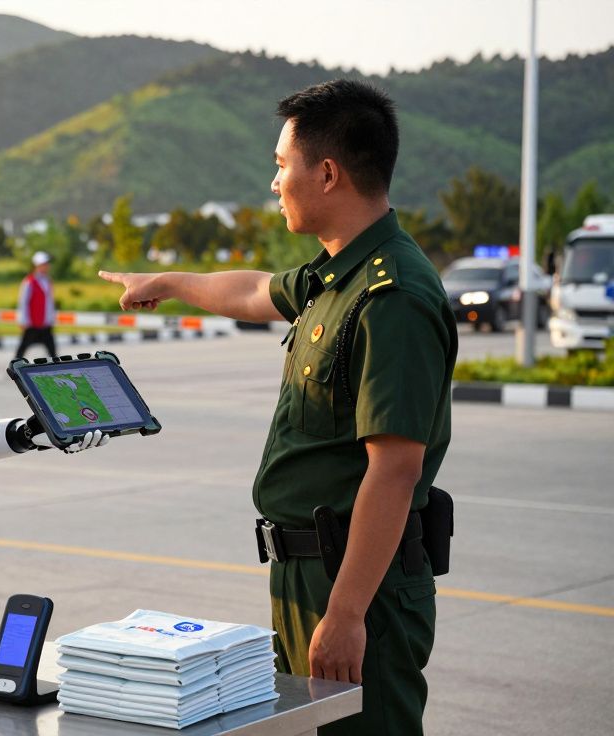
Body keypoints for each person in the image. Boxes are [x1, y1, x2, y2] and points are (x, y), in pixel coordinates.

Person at [99, 79, 455, 735]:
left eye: (280, 164)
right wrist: (167, 282)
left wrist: (346, 612)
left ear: (327, 173)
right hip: (308, 574)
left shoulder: (392, 296)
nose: (274, 182)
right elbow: (253, 292)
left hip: (356, 586)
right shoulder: (335, 276)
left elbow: (395, 470)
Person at [15, 251, 58, 359]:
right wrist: (23, 320)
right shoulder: (29, 281)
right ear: (37, 265)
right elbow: (23, 302)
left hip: (45, 324)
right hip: (32, 324)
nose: (47, 266)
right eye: (44, 264)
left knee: (52, 352)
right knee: (22, 349)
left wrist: (51, 318)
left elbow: (49, 302)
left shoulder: (48, 280)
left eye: (47, 264)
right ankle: (15, 366)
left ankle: (57, 366)